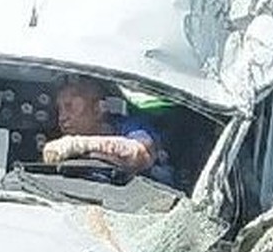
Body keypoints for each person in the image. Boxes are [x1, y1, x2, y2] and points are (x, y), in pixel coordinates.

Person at [42, 76, 174, 185]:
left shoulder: (131, 126)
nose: (62, 117)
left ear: (99, 109)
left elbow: (141, 154)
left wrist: (79, 144)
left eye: (71, 106)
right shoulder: (61, 145)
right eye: (59, 109)